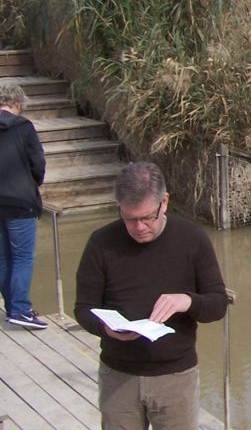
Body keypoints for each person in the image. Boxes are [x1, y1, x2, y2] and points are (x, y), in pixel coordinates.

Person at [75, 162, 228, 429]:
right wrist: (106, 328)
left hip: (176, 378)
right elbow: (83, 308)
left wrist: (187, 301)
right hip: (118, 376)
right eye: (129, 218)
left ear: (164, 202)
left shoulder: (193, 239)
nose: (139, 227)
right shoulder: (101, 242)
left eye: (147, 217)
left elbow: (217, 304)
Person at [0, 82, 47, 329]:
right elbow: (37, 163)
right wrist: (32, 183)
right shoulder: (24, 127)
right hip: (20, 202)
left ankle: (12, 307)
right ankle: (20, 310)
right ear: (18, 103)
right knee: (22, 257)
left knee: (2, 257)